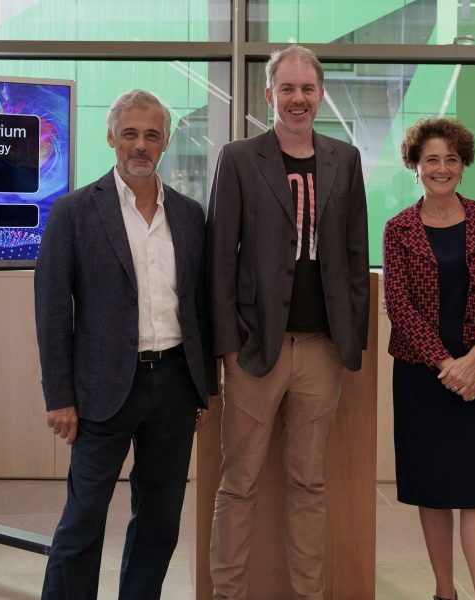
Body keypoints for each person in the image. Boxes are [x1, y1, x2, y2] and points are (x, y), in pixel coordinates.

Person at [34, 89, 215, 600]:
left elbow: (198, 305)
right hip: (101, 389)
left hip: (176, 385)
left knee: (160, 520)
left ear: (166, 142)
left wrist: (204, 386)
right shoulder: (73, 212)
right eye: (130, 133)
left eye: (151, 135)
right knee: (83, 520)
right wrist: (59, 396)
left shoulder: (189, 214)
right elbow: (51, 312)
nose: (140, 145)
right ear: (111, 137)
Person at [206, 45, 369, 600]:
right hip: (254, 350)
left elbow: (353, 254)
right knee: (239, 484)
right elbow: (219, 258)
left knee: (309, 483)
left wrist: (353, 340)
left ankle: (309, 595)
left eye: (308, 89)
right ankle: (227, 594)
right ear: (268, 94)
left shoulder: (344, 159)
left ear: (320, 94)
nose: (298, 99)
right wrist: (227, 347)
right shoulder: (238, 157)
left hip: (322, 349)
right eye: (288, 89)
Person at [382, 118, 475, 600]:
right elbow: (399, 306)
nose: (442, 168)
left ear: (464, 165)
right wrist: (447, 366)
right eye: (431, 159)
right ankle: (445, 591)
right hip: (422, 376)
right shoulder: (397, 229)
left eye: (451, 159)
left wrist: (474, 359)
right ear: (415, 167)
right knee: (433, 490)